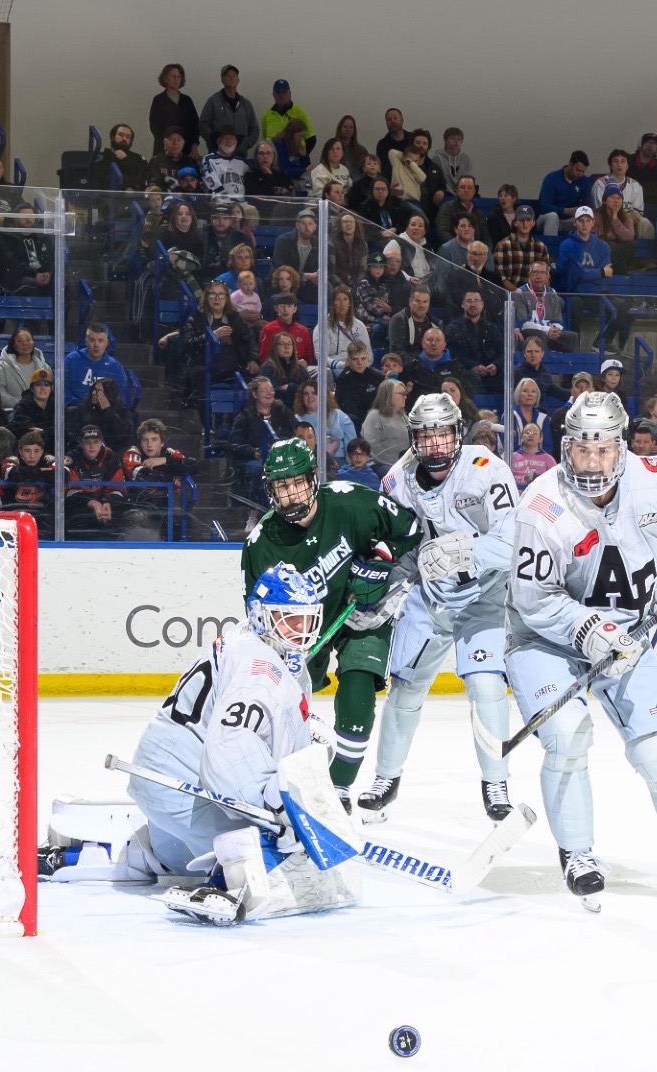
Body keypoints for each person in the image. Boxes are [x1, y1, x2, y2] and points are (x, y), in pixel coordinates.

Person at [507, 391, 657, 908]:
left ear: (622, 448)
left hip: (628, 637)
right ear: (565, 448)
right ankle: (578, 852)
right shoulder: (541, 507)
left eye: (604, 450)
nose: (593, 462)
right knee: (567, 737)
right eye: (582, 450)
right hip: (545, 640)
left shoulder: (656, 478)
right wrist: (586, 627)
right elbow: (532, 599)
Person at [116, 562, 359, 924]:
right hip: (187, 793)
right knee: (289, 860)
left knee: (183, 853)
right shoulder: (261, 669)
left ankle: (146, 854)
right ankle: (222, 879)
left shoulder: (246, 641)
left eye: (308, 620)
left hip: (164, 786)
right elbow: (229, 749)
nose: (300, 631)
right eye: (289, 619)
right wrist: (276, 808)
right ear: (261, 616)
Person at [355, 394, 521, 823]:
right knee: (405, 687)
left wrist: (459, 550)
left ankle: (496, 780)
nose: (435, 446)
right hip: (428, 598)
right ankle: (386, 778)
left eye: (443, 434)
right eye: (425, 437)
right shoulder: (396, 481)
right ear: (413, 439)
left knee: (486, 688)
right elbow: (394, 545)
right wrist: (389, 581)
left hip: (483, 596)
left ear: (457, 433)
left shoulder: (487, 469)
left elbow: (512, 545)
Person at [240, 439, 422, 806]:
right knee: (284, 700)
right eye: (281, 487)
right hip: (304, 629)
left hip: (365, 610)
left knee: (358, 684)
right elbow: (258, 616)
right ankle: (270, 776)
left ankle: (338, 787)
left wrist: (380, 559)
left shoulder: (350, 501)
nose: (291, 495)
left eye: (297, 483)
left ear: (312, 479)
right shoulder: (261, 543)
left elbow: (410, 527)